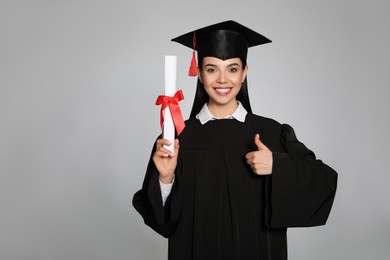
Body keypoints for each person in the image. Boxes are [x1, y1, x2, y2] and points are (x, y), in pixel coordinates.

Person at [133, 20, 338, 260]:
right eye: (211, 69)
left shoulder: (271, 133)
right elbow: (162, 221)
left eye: (232, 69)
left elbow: (324, 181)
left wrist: (277, 165)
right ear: (199, 74)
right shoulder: (177, 138)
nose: (222, 79)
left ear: (244, 73)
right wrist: (166, 179)